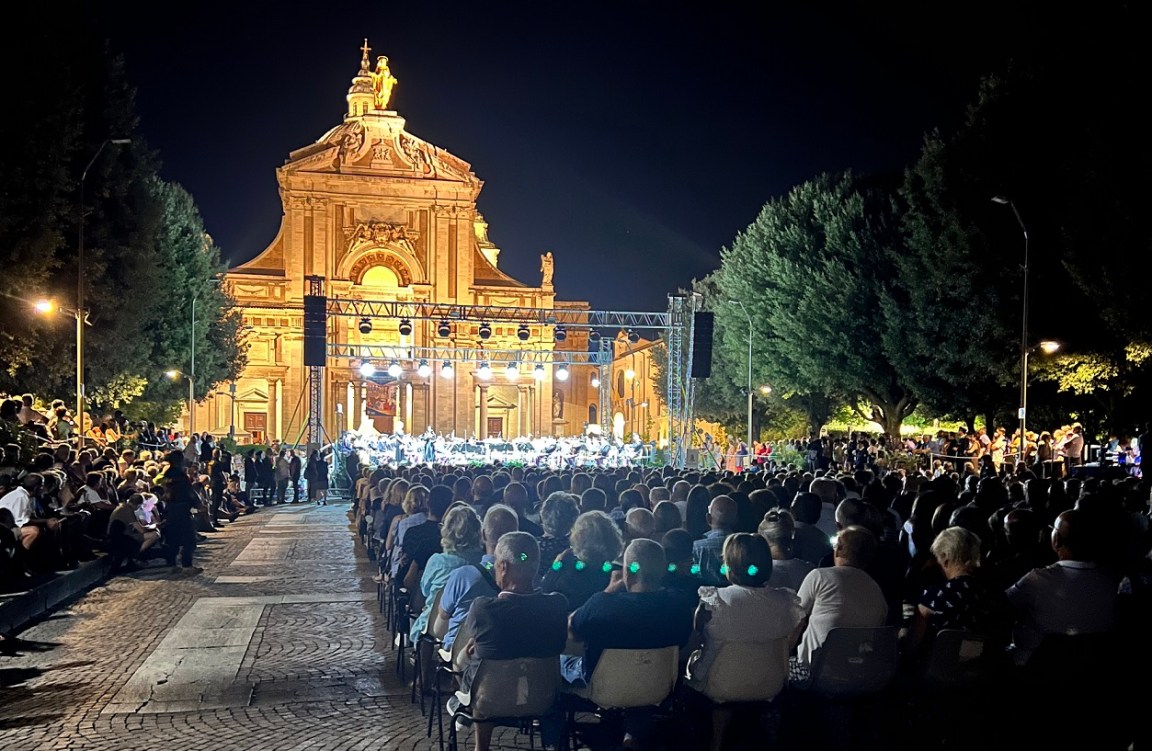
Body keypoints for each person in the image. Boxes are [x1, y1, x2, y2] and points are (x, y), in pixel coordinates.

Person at [448, 531, 569, 751]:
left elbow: (473, 644)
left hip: (489, 699)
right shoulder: (558, 605)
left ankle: (478, 743)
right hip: (543, 696)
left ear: (503, 567)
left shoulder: (484, 608)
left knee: (470, 661)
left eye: (495, 565)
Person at [685, 533, 805, 751]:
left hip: (720, 683)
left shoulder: (714, 599)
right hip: (770, 681)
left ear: (729, 565)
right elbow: (793, 633)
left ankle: (715, 740)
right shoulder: (785, 601)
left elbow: (698, 638)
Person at [792, 525, 887, 684]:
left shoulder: (819, 576)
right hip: (858, 677)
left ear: (838, 550)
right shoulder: (876, 590)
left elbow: (794, 620)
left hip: (814, 673)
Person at [902, 526, 1008, 659]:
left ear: (945, 558)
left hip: (935, 673)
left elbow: (911, 646)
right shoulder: (995, 597)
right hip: (983, 674)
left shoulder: (933, 596)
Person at [160, 452, 203, 575]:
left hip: (170, 508)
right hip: (182, 508)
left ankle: (172, 564)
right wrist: (197, 504)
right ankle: (187, 565)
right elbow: (188, 491)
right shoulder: (180, 475)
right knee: (189, 538)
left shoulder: (167, 473)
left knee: (173, 538)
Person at [692, 495, 737, 586]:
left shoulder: (696, 547)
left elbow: (693, 574)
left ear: (708, 518)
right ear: (736, 519)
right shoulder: (746, 546)